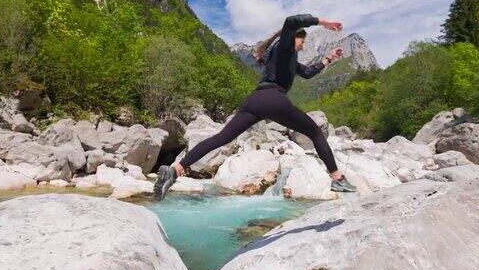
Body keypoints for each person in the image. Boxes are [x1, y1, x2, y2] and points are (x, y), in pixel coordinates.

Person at [153, 14, 357, 200]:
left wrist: (330, 58)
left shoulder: (284, 58)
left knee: (222, 138)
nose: (303, 46)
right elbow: (290, 21)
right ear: (294, 38)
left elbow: (308, 72)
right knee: (315, 132)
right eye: (302, 41)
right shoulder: (285, 46)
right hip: (274, 100)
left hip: (255, 100)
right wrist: (324, 23)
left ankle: (176, 170)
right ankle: (337, 178)